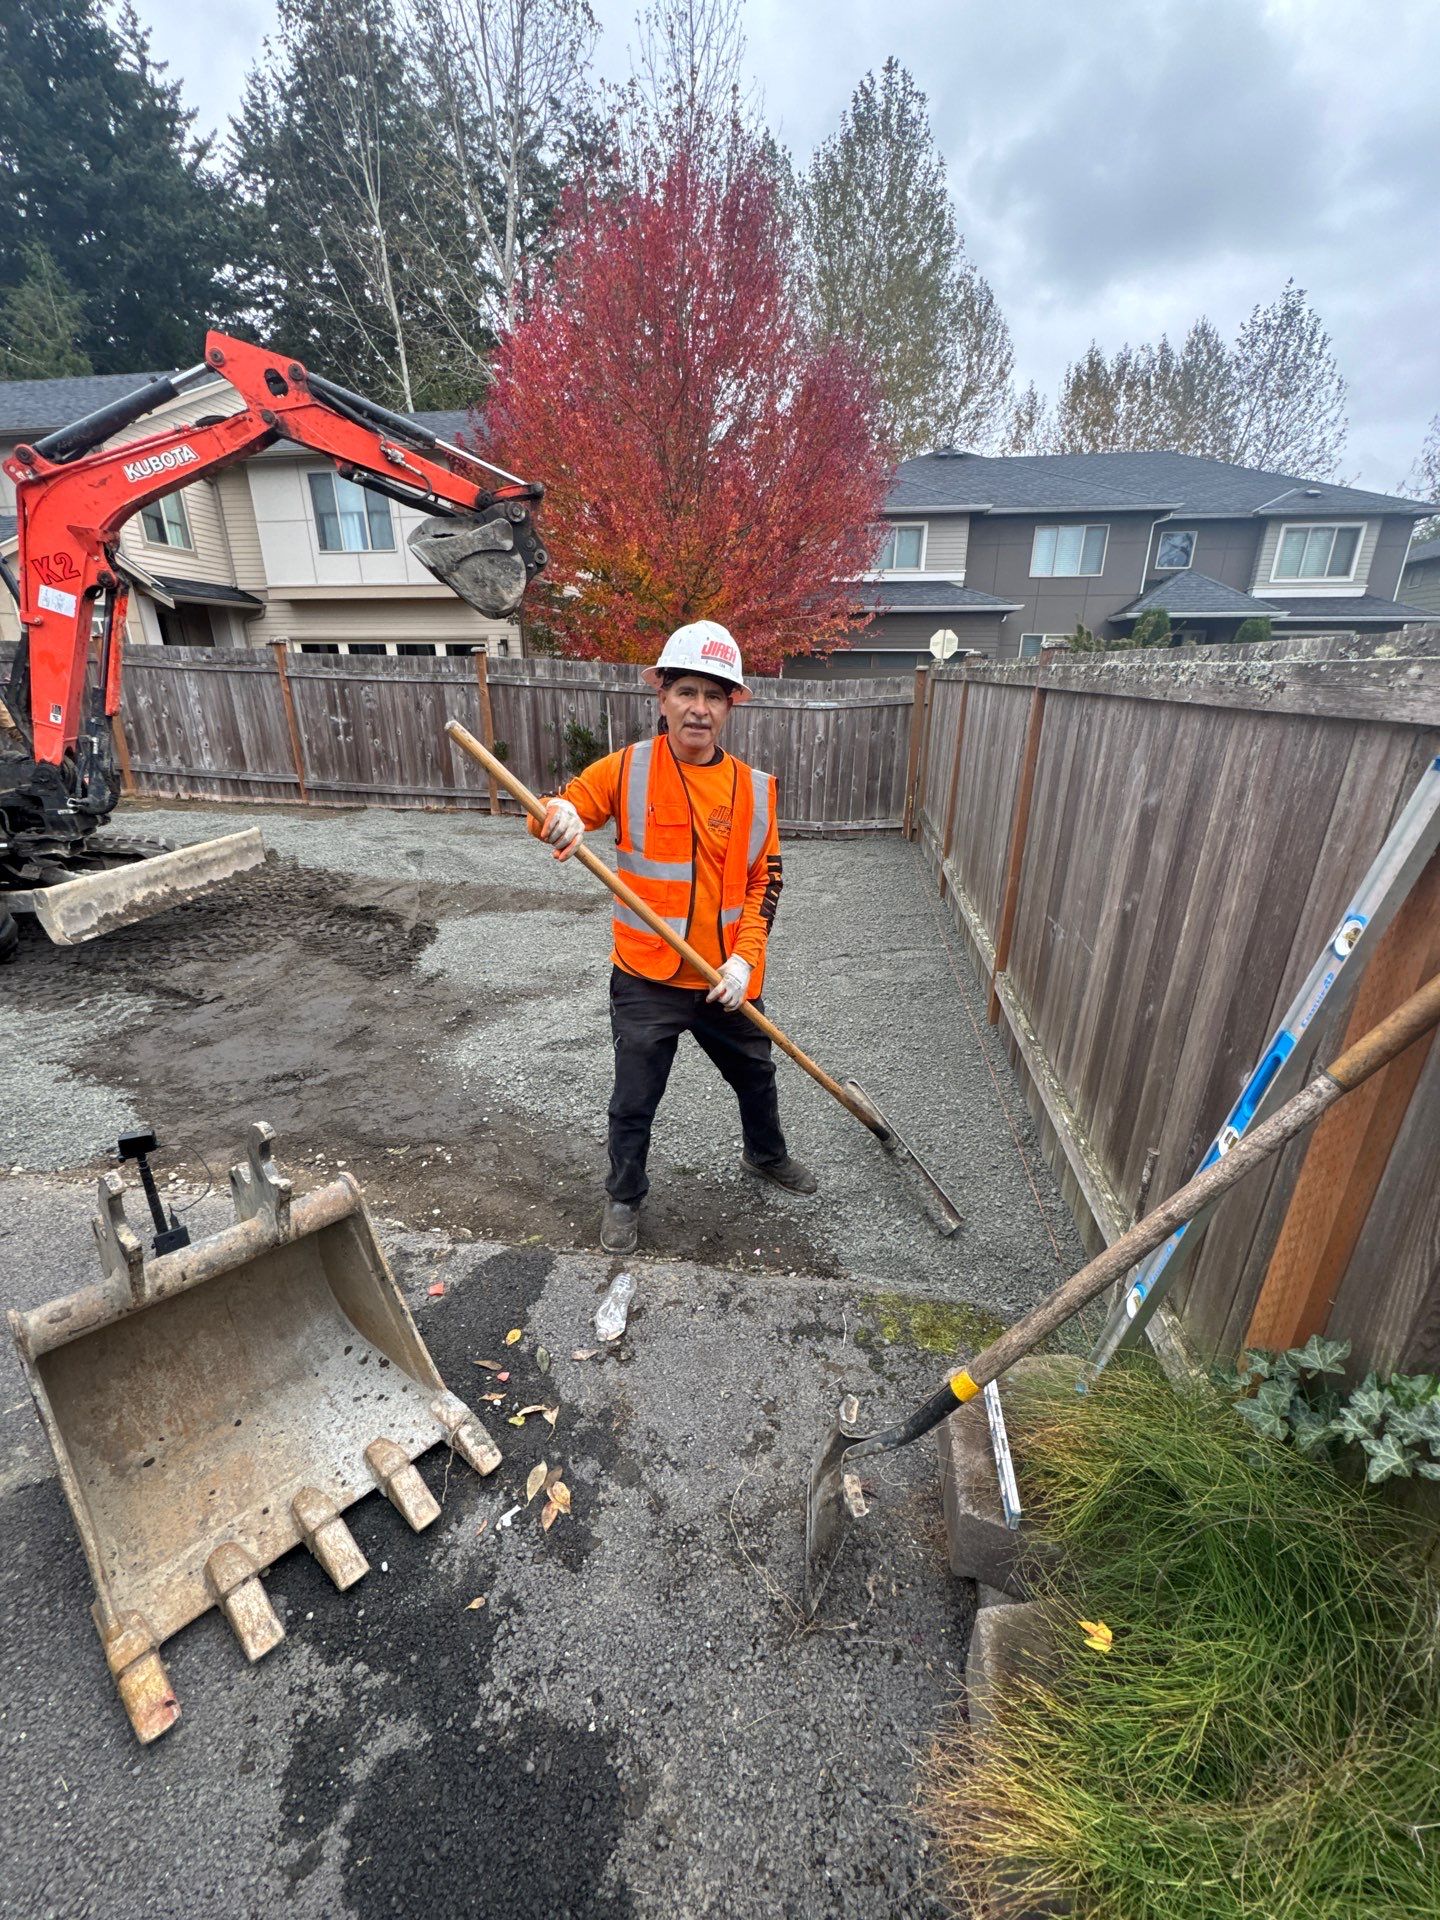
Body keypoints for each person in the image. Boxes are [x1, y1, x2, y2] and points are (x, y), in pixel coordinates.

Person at [530, 620, 817, 1253]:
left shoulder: (754, 791)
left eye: (715, 696)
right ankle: (624, 1197)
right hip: (645, 978)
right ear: (661, 696)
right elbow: (556, 807)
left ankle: (765, 1156)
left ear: (730, 706)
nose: (700, 708)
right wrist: (558, 816)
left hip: (721, 980)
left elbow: (763, 886)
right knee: (634, 1099)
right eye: (687, 691)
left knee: (758, 1075)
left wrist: (744, 964)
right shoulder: (626, 770)